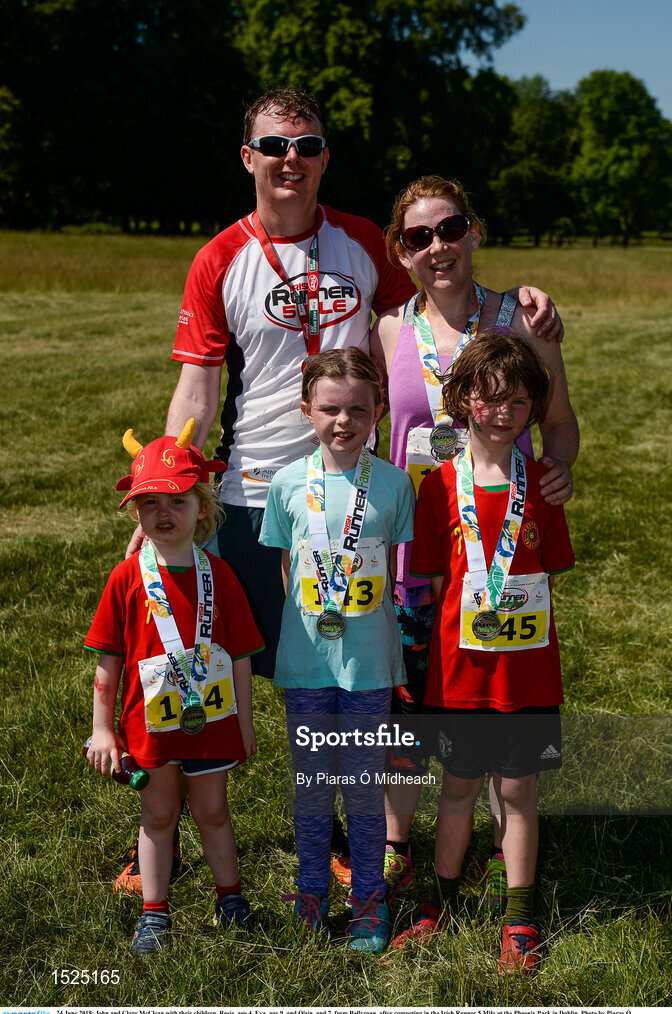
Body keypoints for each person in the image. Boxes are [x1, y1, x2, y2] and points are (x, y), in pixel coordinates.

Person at [121, 90, 561, 892]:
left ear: (325, 157)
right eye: (274, 145)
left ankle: (334, 832)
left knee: (338, 674)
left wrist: (523, 305)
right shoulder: (219, 258)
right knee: (193, 658)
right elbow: (196, 393)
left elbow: (444, 301)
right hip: (254, 493)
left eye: (309, 144)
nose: (292, 159)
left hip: (355, 497)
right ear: (247, 156)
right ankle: (163, 827)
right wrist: (164, 487)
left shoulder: (365, 242)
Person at [368, 175, 579, 906]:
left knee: (494, 701)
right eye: (418, 237)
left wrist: (557, 476)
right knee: (404, 717)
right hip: (408, 554)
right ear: (401, 253)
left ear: (475, 231)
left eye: (450, 228)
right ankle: (398, 848)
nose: (438, 247)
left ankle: (500, 842)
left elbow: (559, 424)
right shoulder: (389, 329)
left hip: (494, 555)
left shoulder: (520, 319)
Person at [394, 332, 574, 973]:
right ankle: (432, 907)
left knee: (518, 790)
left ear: (533, 408)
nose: (504, 413)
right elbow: (438, 587)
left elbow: (546, 576)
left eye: (519, 402)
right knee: (459, 788)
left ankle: (520, 920)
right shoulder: (438, 489)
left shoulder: (544, 488)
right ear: (463, 400)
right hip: (461, 676)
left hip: (525, 675)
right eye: (490, 398)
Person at [85, 421, 264, 955]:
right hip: (150, 730)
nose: (163, 515)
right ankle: (156, 913)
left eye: (178, 502)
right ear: (136, 513)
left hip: (211, 727)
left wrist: (246, 723)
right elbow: (108, 662)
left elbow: (239, 659)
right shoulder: (126, 578)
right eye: (149, 505)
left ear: (202, 507)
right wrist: (102, 729)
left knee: (214, 813)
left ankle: (230, 898)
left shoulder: (222, 576)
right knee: (158, 815)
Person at [259, 348, 415, 953]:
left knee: (362, 786)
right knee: (314, 785)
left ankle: (370, 902)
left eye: (357, 408)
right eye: (329, 409)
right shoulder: (286, 484)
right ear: (306, 410)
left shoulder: (395, 485)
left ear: (378, 410)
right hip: (306, 666)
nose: (343, 421)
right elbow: (284, 565)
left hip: (370, 665)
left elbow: (398, 568)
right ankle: (311, 893)